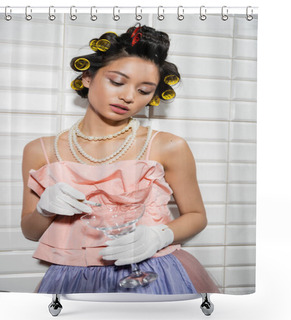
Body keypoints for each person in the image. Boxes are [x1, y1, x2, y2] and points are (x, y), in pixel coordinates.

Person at [21, 24, 220, 294]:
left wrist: (160, 235)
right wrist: (45, 209)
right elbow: (30, 232)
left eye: (144, 90)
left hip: (154, 273)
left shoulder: (168, 146)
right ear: (87, 77)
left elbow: (196, 216)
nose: (128, 96)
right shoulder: (39, 150)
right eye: (117, 82)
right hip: (73, 279)